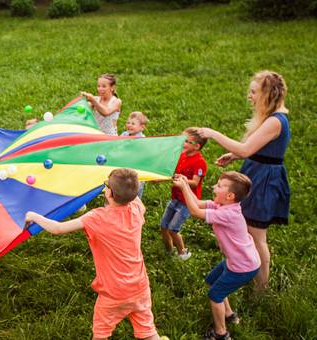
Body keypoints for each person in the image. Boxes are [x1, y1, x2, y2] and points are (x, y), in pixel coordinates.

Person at [25, 169, 170, 340]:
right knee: (149, 330)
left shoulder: (97, 217)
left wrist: (33, 216)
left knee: (101, 333)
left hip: (113, 292)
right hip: (139, 286)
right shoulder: (137, 208)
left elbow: (57, 228)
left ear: (109, 193)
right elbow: (139, 204)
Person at [196, 70, 290, 291]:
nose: (250, 96)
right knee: (247, 230)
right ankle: (245, 269)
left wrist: (213, 134)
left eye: (254, 92)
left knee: (257, 236)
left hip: (264, 181)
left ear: (268, 94)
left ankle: (261, 288)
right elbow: (257, 149)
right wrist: (235, 155)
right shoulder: (271, 117)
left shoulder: (276, 121)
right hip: (257, 173)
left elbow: (247, 148)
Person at [173, 172, 260, 340]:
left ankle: (221, 334)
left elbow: (195, 211)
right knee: (213, 281)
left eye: (219, 186)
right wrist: (185, 184)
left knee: (215, 295)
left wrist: (184, 188)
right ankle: (229, 314)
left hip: (243, 267)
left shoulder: (229, 214)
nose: (214, 187)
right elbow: (197, 203)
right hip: (237, 261)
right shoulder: (223, 206)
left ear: (230, 196)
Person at [160, 128, 208, 260]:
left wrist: (183, 180)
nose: (183, 143)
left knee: (173, 229)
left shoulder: (200, 162)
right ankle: (169, 251)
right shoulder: (182, 155)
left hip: (186, 201)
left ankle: (183, 253)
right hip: (175, 197)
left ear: (197, 146)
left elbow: (195, 182)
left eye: (187, 141)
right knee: (164, 226)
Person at [121, 111, 149, 197]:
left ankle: (135, 204)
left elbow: (143, 155)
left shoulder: (142, 139)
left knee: (135, 189)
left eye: (133, 123)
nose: (129, 125)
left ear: (142, 127)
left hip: (137, 169)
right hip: (124, 166)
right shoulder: (124, 134)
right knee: (123, 186)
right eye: (128, 122)